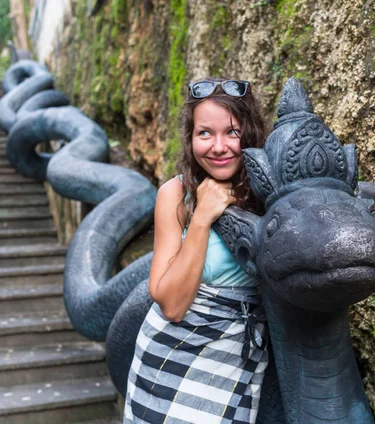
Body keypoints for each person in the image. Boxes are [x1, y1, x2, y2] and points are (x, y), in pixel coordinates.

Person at [124, 78, 268, 424]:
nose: (218, 147)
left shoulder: (269, 194)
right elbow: (171, 304)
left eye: (232, 132)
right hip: (169, 354)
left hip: (238, 356)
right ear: (190, 139)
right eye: (205, 133)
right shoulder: (175, 194)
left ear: (250, 134)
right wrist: (202, 218)